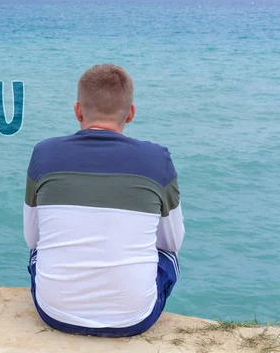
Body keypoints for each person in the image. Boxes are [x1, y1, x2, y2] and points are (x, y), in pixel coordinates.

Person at [23, 64, 185, 337]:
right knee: (167, 255)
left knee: (39, 250)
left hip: (54, 312)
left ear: (78, 110)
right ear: (131, 113)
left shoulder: (43, 154)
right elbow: (171, 243)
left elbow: (32, 239)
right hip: (134, 319)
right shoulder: (159, 160)